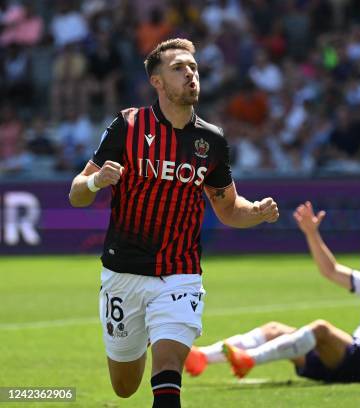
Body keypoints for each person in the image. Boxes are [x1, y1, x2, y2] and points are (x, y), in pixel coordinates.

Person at [68, 38, 279, 408]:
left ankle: (164, 331)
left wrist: (256, 211)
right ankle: (149, 332)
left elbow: (228, 209)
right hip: (123, 272)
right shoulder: (127, 125)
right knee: (124, 386)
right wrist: (95, 182)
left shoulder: (210, 140)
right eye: (179, 68)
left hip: (180, 274)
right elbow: (76, 194)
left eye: (193, 68)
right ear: (158, 82)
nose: (190, 74)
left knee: (167, 370)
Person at [184, 201, 360, 382]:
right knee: (274, 328)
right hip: (346, 359)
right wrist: (311, 233)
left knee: (321, 329)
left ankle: (248, 359)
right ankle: (201, 357)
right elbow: (330, 270)